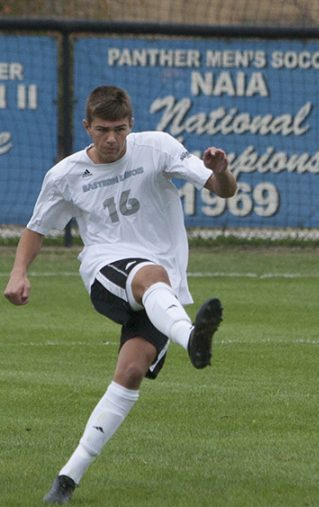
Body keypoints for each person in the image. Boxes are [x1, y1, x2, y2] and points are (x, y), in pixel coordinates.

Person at [3, 85, 237, 504]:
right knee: (149, 275)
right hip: (106, 270)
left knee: (130, 372)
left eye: (120, 129)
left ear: (131, 125)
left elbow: (224, 190)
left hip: (163, 293)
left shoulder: (157, 147)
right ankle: (192, 340)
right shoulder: (65, 175)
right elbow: (36, 229)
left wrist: (219, 170)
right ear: (87, 127)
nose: (112, 139)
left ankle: (66, 480)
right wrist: (18, 273)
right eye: (103, 130)